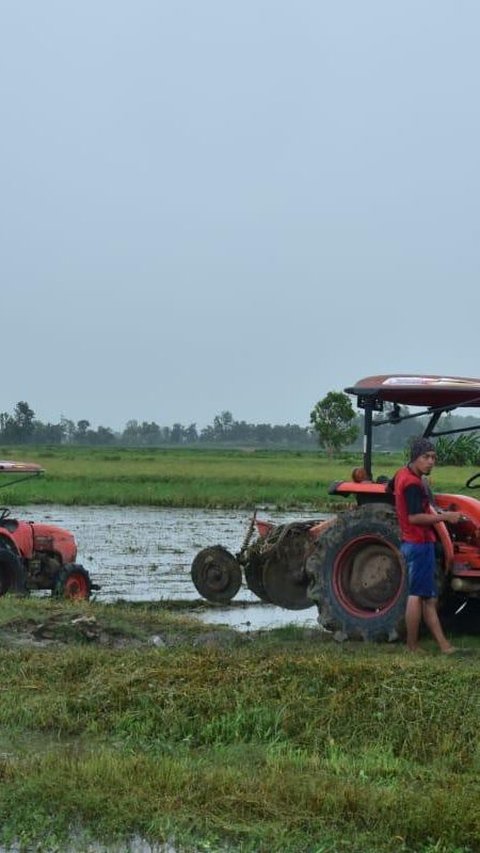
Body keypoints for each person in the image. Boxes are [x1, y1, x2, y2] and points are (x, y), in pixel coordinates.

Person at [393, 437, 463, 654]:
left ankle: (444, 646)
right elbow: (414, 517)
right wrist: (446, 517)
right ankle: (412, 646)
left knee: (429, 598)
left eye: (433, 457)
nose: (431, 461)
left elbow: (392, 491)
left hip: (412, 542)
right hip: (419, 543)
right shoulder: (413, 483)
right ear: (415, 458)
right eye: (426, 457)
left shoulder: (401, 474)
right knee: (417, 596)